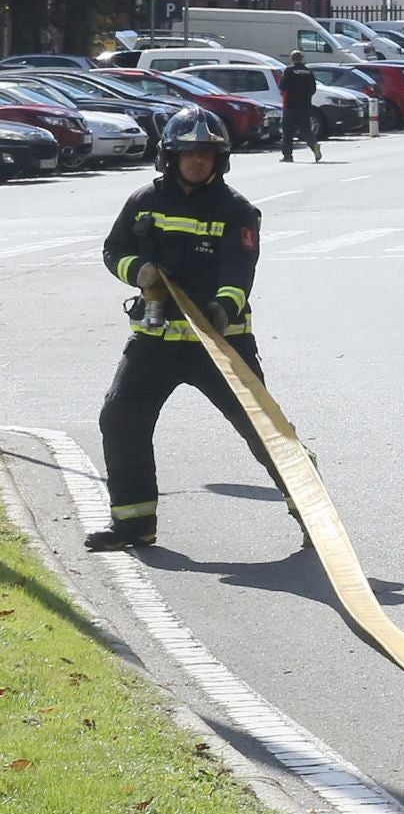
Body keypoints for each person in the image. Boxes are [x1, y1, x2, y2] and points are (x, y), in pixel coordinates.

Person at [88, 107, 303, 551]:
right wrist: (138, 270)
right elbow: (114, 250)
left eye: (207, 153)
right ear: (170, 156)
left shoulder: (236, 209)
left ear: (220, 159)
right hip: (154, 341)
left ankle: (314, 515)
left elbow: (239, 269)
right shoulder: (144, 201)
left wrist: (223, 310)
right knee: (120, 418)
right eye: (189, 153)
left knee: (265, 431)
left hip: (221, 344)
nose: (198, 161)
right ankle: (134, 523)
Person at [279, 50, 320, 163]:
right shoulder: (308, 72)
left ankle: (288, 155)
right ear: (302, 58)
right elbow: (313, 89)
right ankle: (314, 145)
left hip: (290, 105)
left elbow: (282, 86)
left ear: (292, 59)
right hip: (304, 105)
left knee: (288, 131)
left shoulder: (289, 71)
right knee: (306, 129)